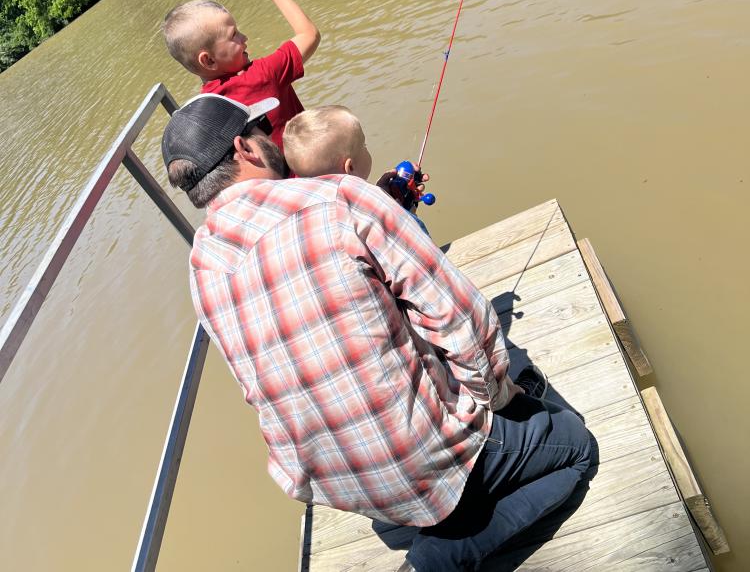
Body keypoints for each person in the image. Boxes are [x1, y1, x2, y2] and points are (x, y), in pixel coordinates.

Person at [161, 93, 592, 572]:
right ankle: (437, 559)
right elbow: (462, 320)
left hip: (334, 483)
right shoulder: (339, 196)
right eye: (263, 131)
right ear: (244, 149)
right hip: (422, 456)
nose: (273, 138)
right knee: (575, 447)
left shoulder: (201, 268)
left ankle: (410, 517)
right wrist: (499, 398)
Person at [161, 0, 320, 150]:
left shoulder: (205, 113)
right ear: (209, 60)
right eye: (234, 35)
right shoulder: (263, 75)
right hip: (312, 176)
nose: (245, 38)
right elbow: (309, 34)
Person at [282, 104, 431, 234]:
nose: (366, 148)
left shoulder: (309, 218)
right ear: (350, 167)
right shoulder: (370, 216)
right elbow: (419, 245)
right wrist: (408, 212)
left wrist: (382, 193)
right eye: (364, 146)